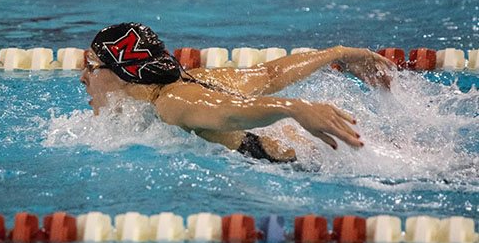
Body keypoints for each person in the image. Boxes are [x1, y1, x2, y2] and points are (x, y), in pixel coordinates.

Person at [80, 22, 394, 162]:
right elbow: (269, 74)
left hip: (305, 164)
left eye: (90, 66)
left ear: (123, 71)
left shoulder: (172, 103)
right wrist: (338, 52)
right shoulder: (192, 79)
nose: (83, 78)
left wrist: (295, 108)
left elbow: (231, 112)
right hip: (327, 151)